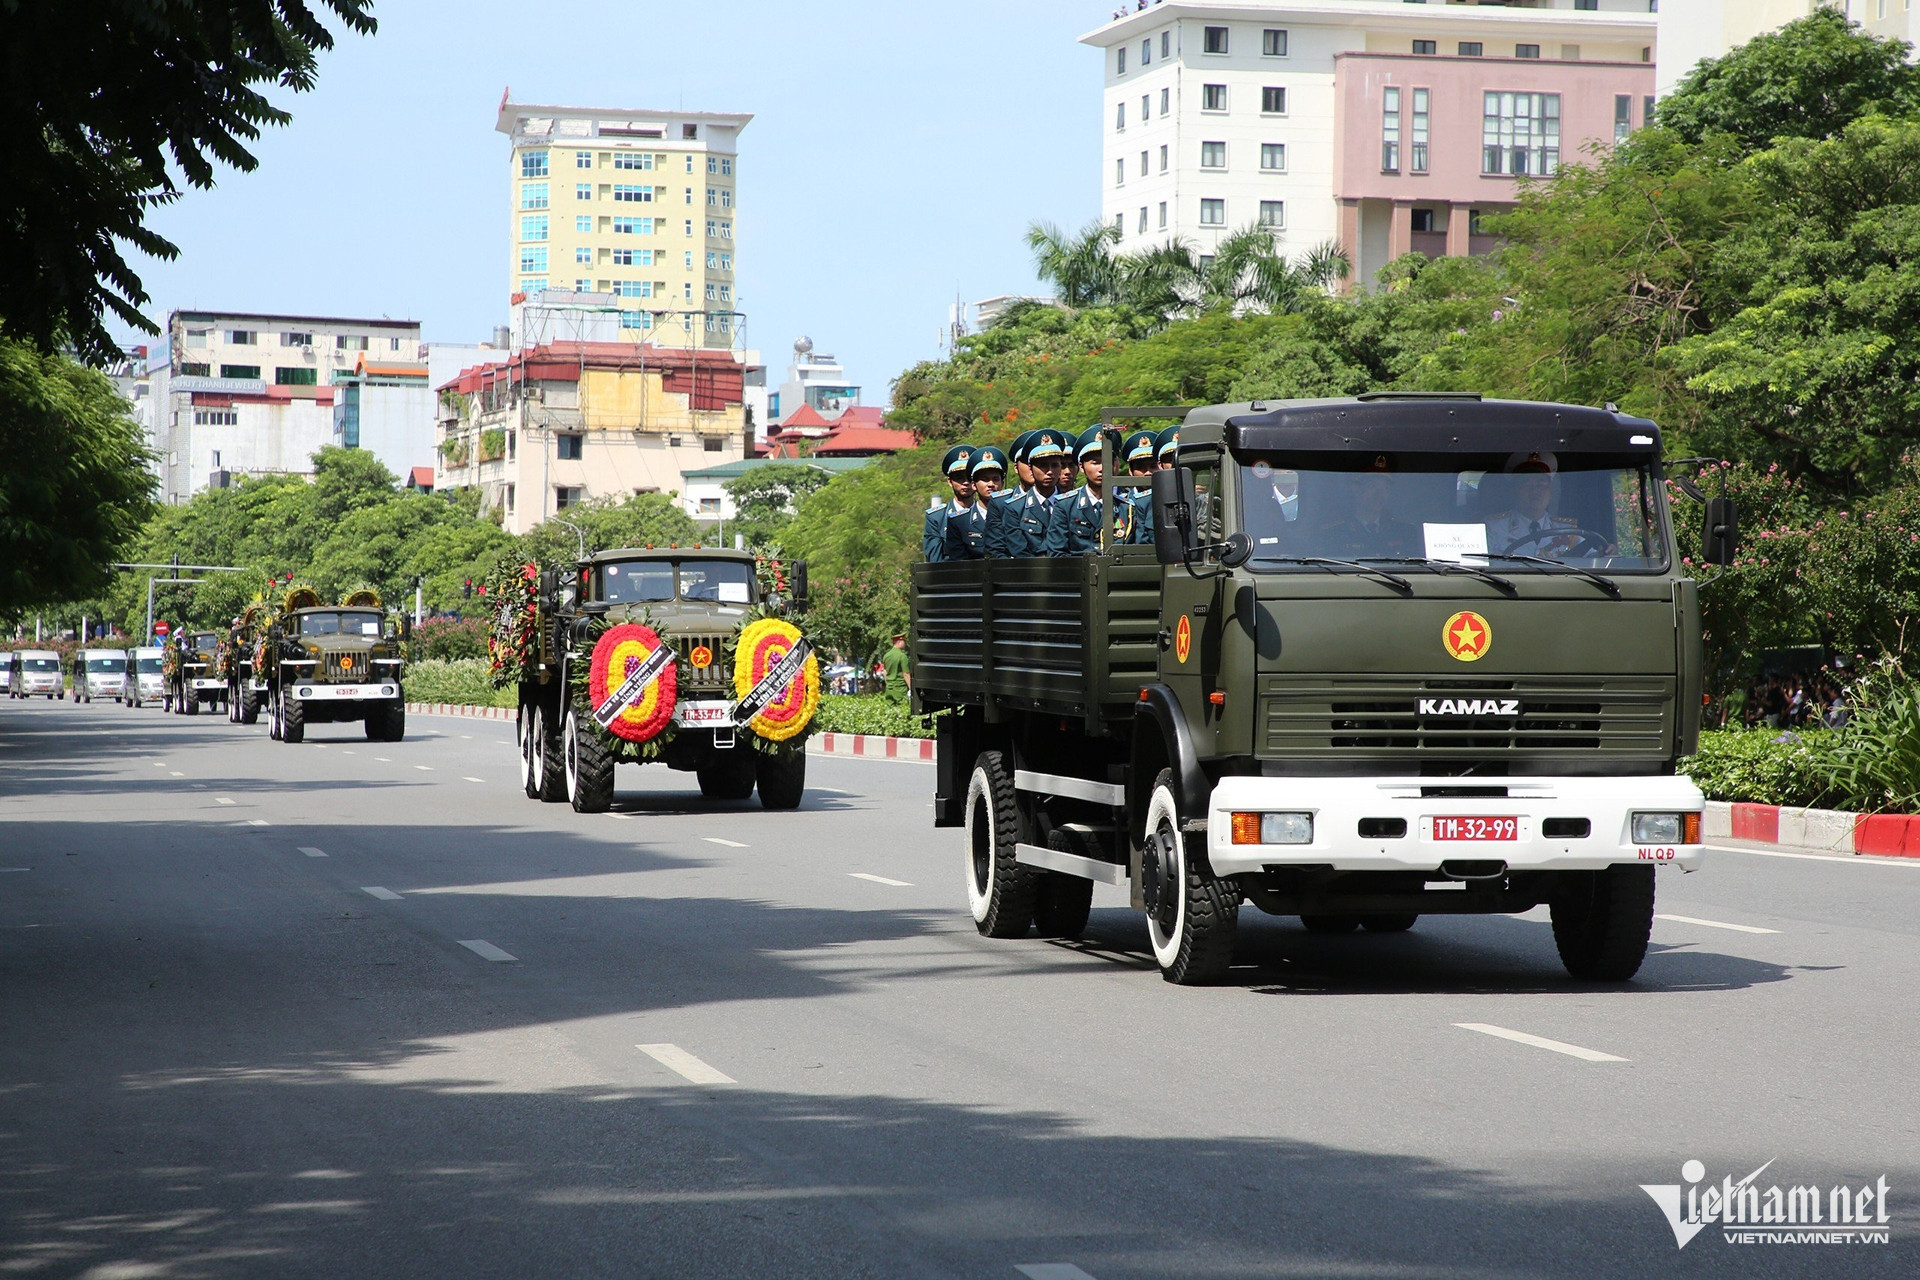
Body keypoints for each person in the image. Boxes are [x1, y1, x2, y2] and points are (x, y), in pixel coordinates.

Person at [1320, 455, 1417, 558]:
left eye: (1385, 488)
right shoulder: (1335, 533)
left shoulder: (1404, 532)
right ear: (1356, 489)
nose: (1380, 494)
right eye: (1373, 486)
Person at [1486, 451, 1581, 554]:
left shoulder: (1568, 531)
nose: (1535, 491)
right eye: (1527, 484)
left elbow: (1593, 559)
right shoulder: (1493, 527)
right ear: (1515, 490)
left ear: (1551, 491)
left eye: (1541, 484)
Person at [1001, 428, 1071, 557]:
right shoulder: (1015, 508)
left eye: (1055, 465)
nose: (1050, 471)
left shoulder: (1071, 504)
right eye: (1043, 465)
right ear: (1030, 468)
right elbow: (1019, 552)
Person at [1046, 426, 1114, 556]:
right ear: (1081, 467)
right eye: (1095, 463)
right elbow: (1057, 553)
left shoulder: (1126, 507)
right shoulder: (1065, 505)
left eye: (1106, 462)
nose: (1101, 469)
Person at [945, 445, 1007, 559]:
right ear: (973, 485)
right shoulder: (959, 521)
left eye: (996, 479)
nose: (991, 484)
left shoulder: (1014, 514)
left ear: (1002, 483)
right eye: (985, 479)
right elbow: (958, 563)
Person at [984, 433, 1034, 557]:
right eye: (1027, 462)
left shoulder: (1060, 500)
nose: (1033, 467)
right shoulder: (1001, 503)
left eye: (1040, 462)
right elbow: (995, 550)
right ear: (1016, 468)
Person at [923, 444, 976, 562]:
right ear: (950, 482)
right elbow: (934, 562)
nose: (965, 482)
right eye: (959, 478)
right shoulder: (937, 518)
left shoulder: (987, 513)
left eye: (969, 477)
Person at [1118, 429, 1158, 544]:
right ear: (1131, 471)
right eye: (1141, 468)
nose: (1148, 473)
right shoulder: (1122, 503)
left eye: (1153, 466)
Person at [880, 633, 910, 704]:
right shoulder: (902, 656)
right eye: (904, 642)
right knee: (902, 710)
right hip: (900, 689)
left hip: (889, 689)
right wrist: (911, 689)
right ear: (899, 642)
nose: (905, 644)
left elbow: (885, 673)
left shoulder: (886, 656)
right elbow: (906, 674)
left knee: (890, 710)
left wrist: (889, 684)